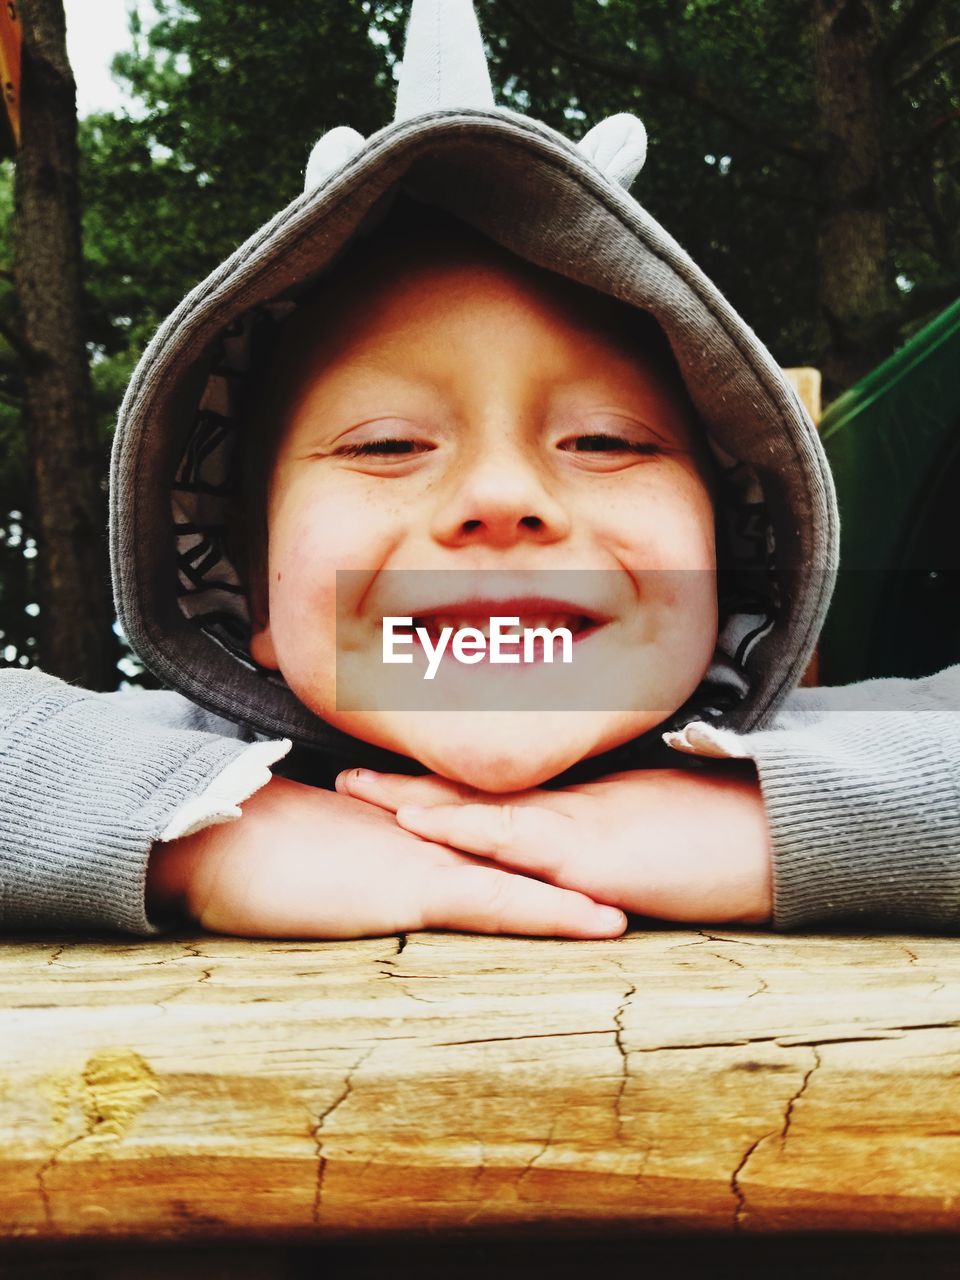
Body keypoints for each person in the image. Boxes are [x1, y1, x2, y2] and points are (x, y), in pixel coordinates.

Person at [2, 0, 958, 941]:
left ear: (735, 560)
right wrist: (204, 843)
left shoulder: (829, 748)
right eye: (387, 445)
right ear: (248, 595)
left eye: (604, 442)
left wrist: (774, 826)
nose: (502, 499)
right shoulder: (179, 763)